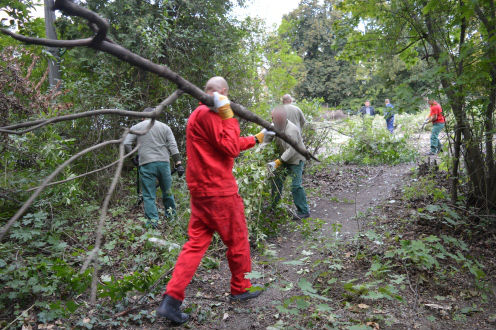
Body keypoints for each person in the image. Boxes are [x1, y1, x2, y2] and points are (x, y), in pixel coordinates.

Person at [156, 77, 270, 325]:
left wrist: (258, 138)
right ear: (222, 93)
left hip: (201, 193)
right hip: (219, 191)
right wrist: (229, 114)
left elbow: (226, 144)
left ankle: (171, 300)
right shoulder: (211, 114)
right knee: (238, 240)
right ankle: (241, 287)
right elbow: (230, 147)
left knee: (195, 244)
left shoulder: (200, 113)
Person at [124, 107, 184, 227]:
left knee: (148, 195)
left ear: (142, 117)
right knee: (167, 191)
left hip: (146, 163)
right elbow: (172, 145)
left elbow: (126, 143)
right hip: (163, 163)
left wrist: (132, 159)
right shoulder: (164, 127)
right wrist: (178, 163)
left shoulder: (137, 127)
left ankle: (152, 223)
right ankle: (171, 219)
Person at [266, 105, 310, 220]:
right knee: (276, 181)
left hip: (296, 159)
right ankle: (274, 206)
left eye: (274, 118)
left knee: (296, 185)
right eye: (272, 118)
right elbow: (267, 137)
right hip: (283, 159)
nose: (272, 120)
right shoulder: (274, 126)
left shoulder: (292, 130)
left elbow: (291, 150)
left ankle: (303, 211)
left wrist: (277, 162)